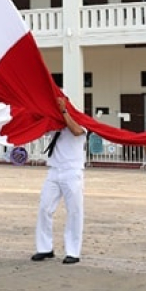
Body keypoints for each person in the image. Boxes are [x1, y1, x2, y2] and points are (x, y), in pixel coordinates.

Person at [32, 96, 88, 265]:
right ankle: (45, 248)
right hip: (54, 171)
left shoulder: (80, 122)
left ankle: (73, 251)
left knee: (74, 212)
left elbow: (77, 131)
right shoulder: (55, 125)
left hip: (72, 172)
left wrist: (64, 111)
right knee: (44, 208)